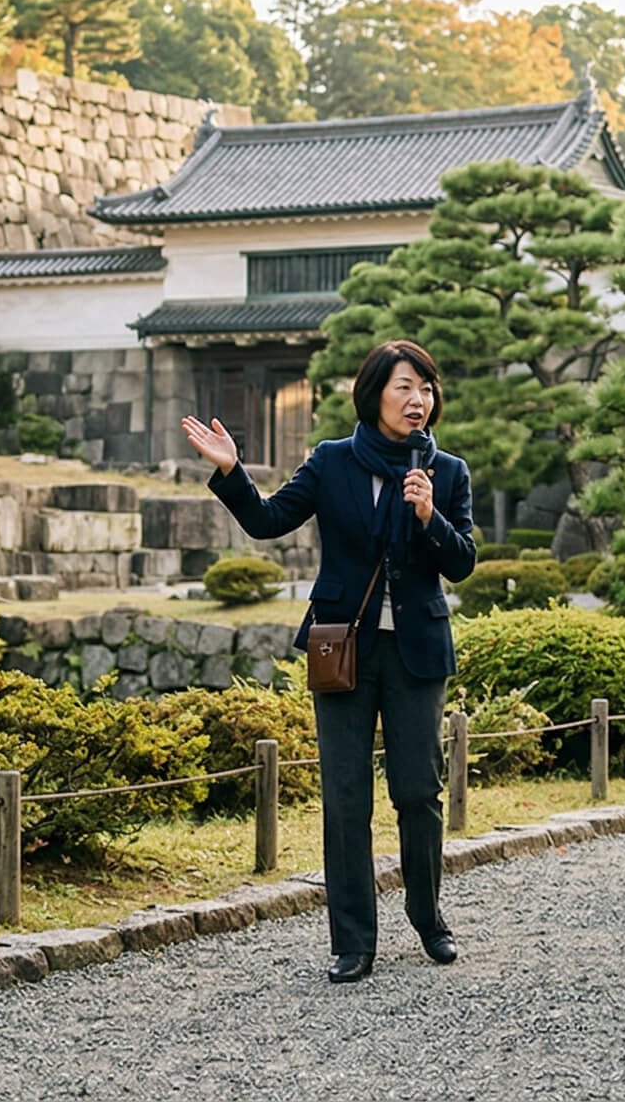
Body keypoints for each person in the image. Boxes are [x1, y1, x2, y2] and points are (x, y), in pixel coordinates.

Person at [182, 339, 478, 982]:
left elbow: (461, 562)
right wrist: (232, 472)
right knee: (346, 798)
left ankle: (428, 918)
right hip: (343, 647)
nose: (418, 400)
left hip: (417, 649)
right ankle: (353, 941)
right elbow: (268, 521)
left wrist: (428, 515)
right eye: (404, 387)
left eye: (426, 388)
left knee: (418, 793)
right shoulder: (332, 460)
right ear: (374, 394)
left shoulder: (447, 471)